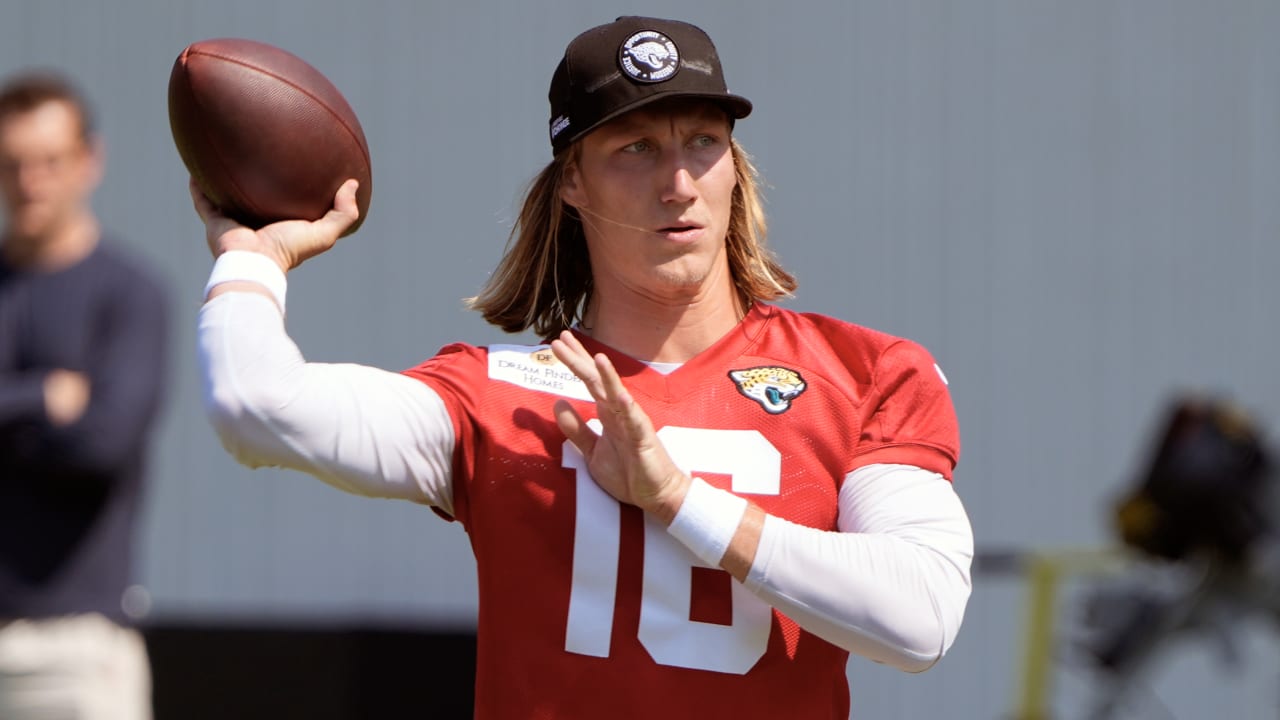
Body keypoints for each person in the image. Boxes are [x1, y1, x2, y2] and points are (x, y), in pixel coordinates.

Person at [194, 16, 973, 719]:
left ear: (734, 165)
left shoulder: (865, 372)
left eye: (703, 142)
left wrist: (676, 499)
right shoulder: (494, 400)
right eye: (636, 148)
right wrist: (252, 260)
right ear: (572, 180)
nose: (678, 183)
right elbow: (254, 407)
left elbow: (921, 620)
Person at [0, 72, 168, 719]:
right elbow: (68, 430)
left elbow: (102, 444)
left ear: (88, 160)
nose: (30, 182)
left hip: (78, 645)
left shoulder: (129, 295)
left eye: (49, 162)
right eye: (13, 164)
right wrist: (42, 396)